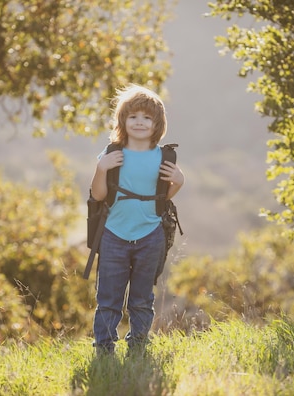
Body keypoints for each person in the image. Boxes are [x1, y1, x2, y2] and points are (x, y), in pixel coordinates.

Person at [90, 84, 184, 356]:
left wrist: (180, 182)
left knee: (142, 299)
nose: (140, 122)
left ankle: (138, 346)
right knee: (108, 298)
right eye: (133, 117)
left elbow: (164, 197)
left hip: (150, 235)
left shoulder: (163, 157)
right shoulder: (111, 155)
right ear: (123, 121)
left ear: (157, 123)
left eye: (147, 117)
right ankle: (104, 349)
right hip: (113, 234)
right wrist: (101, 168)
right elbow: (98, 195)